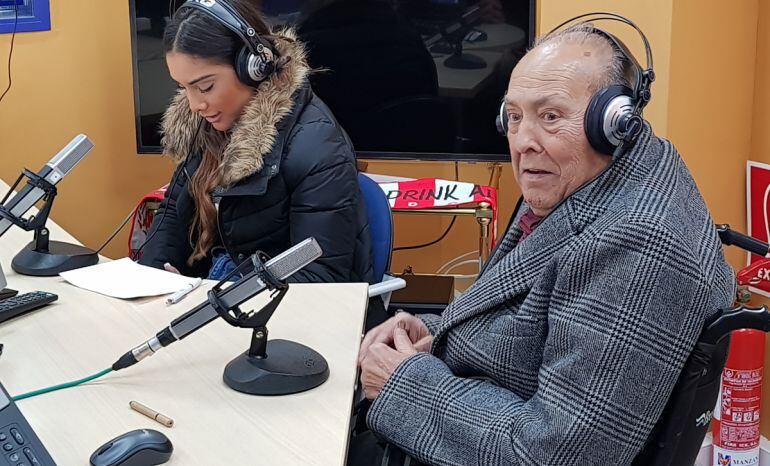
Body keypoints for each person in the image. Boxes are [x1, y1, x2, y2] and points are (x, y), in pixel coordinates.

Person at [351, 19, 736, 465]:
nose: (523, 142)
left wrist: (405, 382)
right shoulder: (582, 178)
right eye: (513, 117)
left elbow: (558, 454)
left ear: (615, 123)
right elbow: (523, 323)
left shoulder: (639, 242)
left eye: (550, 116)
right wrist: (434, 336)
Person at [138, 0, 374, 292]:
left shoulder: (318, 147)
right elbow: (173, 215)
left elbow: (318, 277)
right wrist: (155, 278)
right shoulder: (207, 127)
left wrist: (212, 299)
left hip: (282, 314)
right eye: (183, 88)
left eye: (205, 87)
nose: (195, 105)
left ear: (252, 67)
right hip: (219, 295)